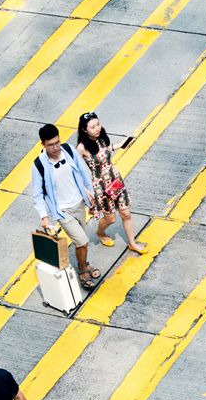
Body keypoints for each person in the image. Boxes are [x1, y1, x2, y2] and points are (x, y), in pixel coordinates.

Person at [30, 122, 101, 288]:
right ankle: (83, 270)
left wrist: (90, 195)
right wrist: (44, 216)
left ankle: (84, 262)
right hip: (62, 211)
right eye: (50, 145)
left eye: (57, 142)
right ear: (43, 144)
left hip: (79, 203)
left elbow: (83, 173)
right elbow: (37, 194)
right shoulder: (39, 165)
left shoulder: (68, 150)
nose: (55, 147)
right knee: (82, 241)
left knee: (82, 241)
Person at [76, 112, 145, 254]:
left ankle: (132, 243)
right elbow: (74, 169)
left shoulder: (101, 138)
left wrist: (121, 144)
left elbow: (105, 151)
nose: (97, 128)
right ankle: (100, 233)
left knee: (126, 213)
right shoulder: (82, 148)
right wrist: (84, 190)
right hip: (101, 187)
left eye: (98, 124)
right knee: (111, 219)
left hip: (115, 180)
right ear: (84, 130)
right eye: (93, 127)